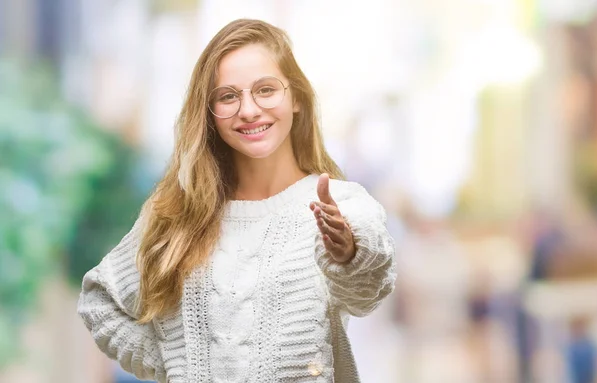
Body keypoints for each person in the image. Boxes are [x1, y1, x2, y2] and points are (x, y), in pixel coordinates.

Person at [77, 18, 396, 383]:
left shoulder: (341, 204)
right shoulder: (180, 213)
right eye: (228, 96)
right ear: (210, 113)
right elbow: (99, 300)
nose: (248, 110)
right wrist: (171, 361)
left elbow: (368, 290)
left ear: (296, 99)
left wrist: (347, 252)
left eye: (265, 90)